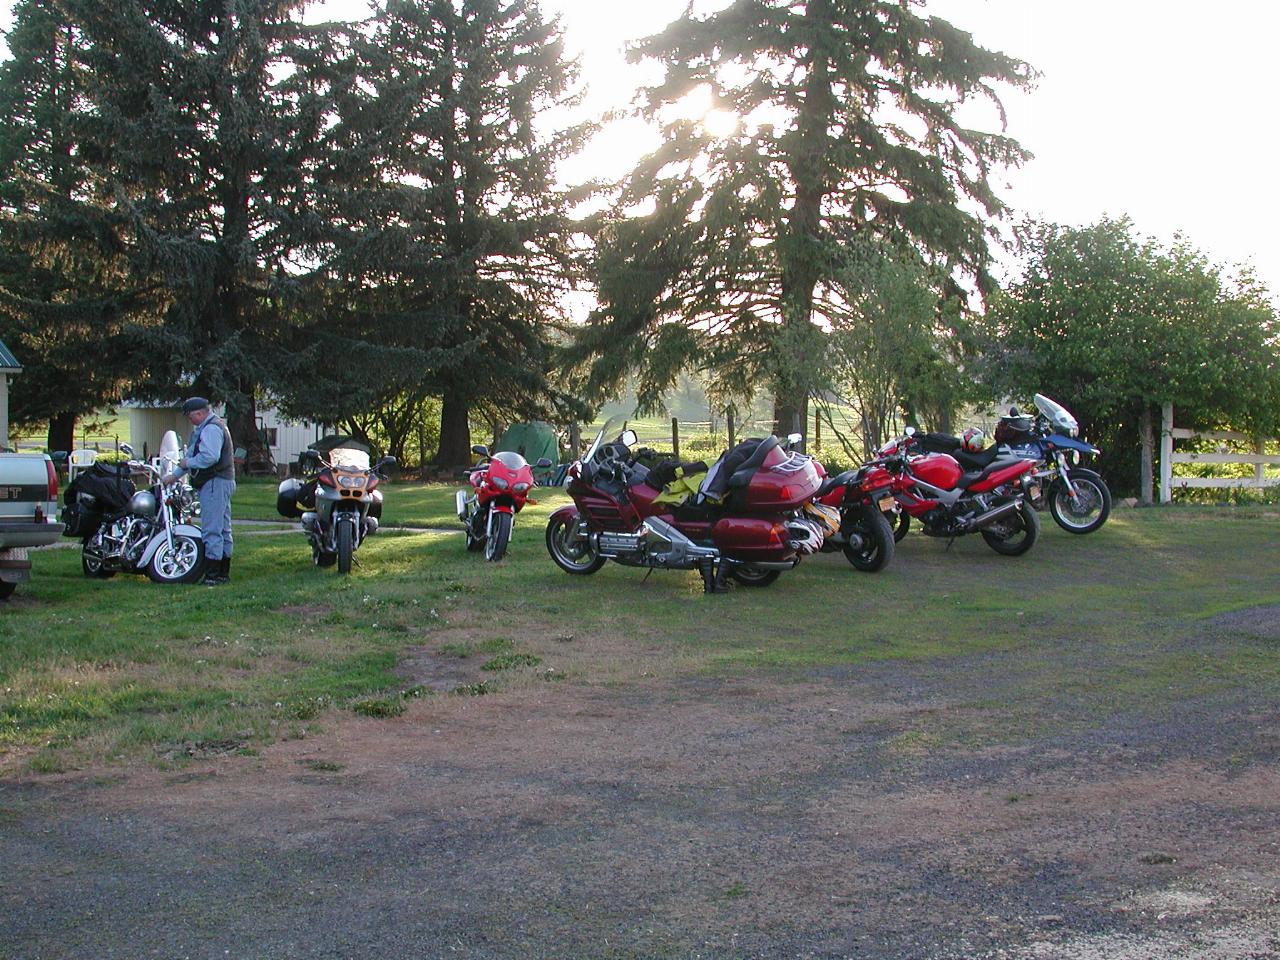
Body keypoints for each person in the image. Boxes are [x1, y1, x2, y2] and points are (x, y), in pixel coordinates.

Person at [163, 397, 235, 585]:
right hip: (220, 481)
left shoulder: (211, 428)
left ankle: (213, 575)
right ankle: (222, 573)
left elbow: (209, 457)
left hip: (214, 482)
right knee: (223, 529)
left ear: (199, 413)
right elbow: (191, 455)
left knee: (212, 530)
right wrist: (174, 476)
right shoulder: (209, 426)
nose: (189, 420)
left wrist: (189, 463)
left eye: (190, 416)